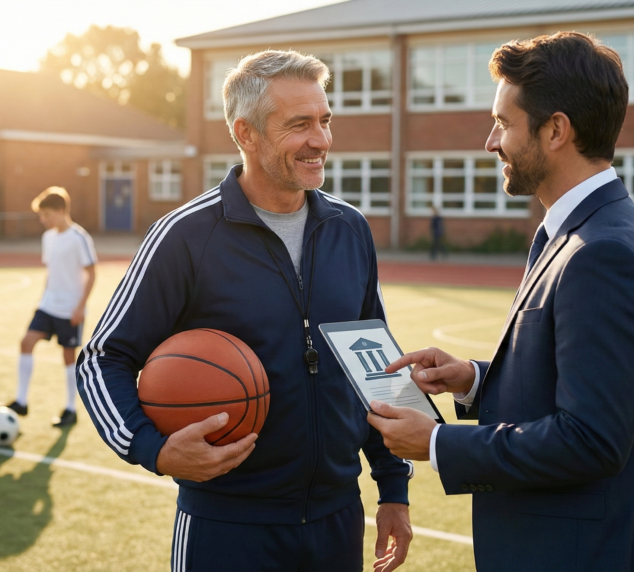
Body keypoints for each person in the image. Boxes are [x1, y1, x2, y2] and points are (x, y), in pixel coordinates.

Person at [77, 50, 413, 572]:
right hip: (226, 525)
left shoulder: (350, 229)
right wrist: (152, 448)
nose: (321, 140)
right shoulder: (186, 236)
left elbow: (374, 362)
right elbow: (101, 358)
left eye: (324, 120)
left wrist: (394, 488)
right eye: (299, 125)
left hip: (336, 518)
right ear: (247, 133)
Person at [366, 32, 634, 571]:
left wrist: (439, 442)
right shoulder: (583, 229)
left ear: (556, 130)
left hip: (581, 555)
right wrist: (474, 380)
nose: (491, 142)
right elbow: (566, 384)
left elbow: (591, 440)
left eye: (504, 123)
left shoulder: (601, 251)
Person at [7, 187, 96, 427]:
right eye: (41, 215)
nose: (42, 220)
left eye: (46, 214)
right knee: (26, 342)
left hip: (70, 309)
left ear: (60, 211)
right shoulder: (48, 238)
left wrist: (80, 307)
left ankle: (70, 409)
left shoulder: (80, 238)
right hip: (48, 306)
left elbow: (91, 273)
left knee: (68, 356)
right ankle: (21, 401)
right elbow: (51, 271)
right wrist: (42, 299)